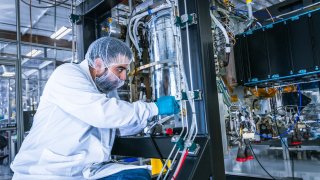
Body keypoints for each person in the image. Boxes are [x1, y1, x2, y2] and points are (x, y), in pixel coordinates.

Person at [10, 37, 179, 180]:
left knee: (139, 175)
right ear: (98, 64)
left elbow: (117, 125)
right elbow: (104, 114)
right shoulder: (67, 74)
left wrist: (150, 119)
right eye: (119, 69)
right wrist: (152, 108)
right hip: (46, 172)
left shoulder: (104, 91)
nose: (124, 77)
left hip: (81, 170)